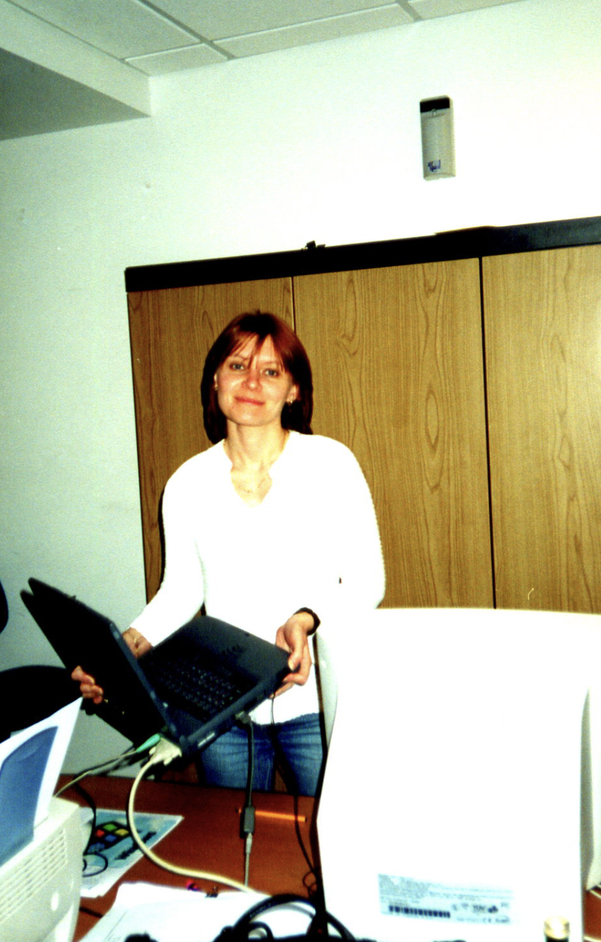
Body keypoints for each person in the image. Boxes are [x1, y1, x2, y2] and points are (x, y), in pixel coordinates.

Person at [73, 311, 384, 795]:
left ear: (293, 390)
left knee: (327, 831)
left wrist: (305, 619)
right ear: (216, 379)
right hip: (222, 708)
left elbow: (367, 581)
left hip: (317, 699)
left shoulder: (331, 463)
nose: (252, 382)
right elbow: (180, 592)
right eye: (238, 366)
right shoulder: (186, 483)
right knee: (229, 831)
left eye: (271, 371)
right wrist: (122, 653)